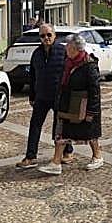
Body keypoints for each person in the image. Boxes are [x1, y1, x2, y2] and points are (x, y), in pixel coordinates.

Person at [39, 34, 104, 174]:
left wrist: (92, 112)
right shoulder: (67, 62)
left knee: (90, 133)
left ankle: (97, 156)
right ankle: (56, 163)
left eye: (68, 46)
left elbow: (95, 91)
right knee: (61, 133)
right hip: (66, 104)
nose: (66, 49)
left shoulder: (89, 65)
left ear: (75, 48)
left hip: (83, 105)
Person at [15, 24, 73, 170]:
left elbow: (70, 72)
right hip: (41, 96)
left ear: (54, 35)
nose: (46, 38)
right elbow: (33, 76)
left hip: (59, 95)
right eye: (42, 36)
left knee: (60, 126)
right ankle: (31, 156)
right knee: (35, 125)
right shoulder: (36, 53)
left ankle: (67, 152)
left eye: (48, 35)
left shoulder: (63, 51)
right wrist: (32, 95)